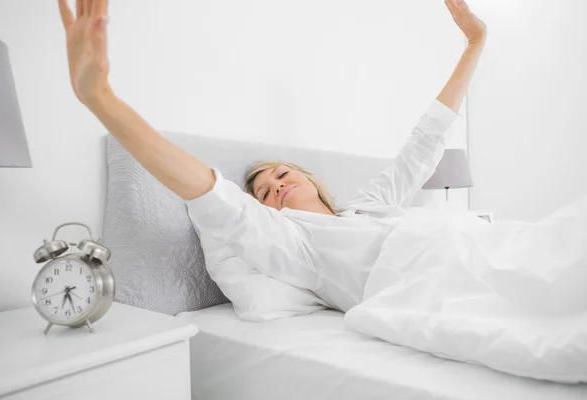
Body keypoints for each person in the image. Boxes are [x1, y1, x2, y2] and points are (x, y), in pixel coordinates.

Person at [57, 0, 491, 315]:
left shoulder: (371, 205)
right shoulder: (292, 243)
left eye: (282, 174)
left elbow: (425, 142)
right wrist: (102, 100)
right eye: (264, 192)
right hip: (439, 288)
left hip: (473, 254)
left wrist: (475, 42)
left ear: (309, 177)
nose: (277, 185)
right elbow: (209, 192)